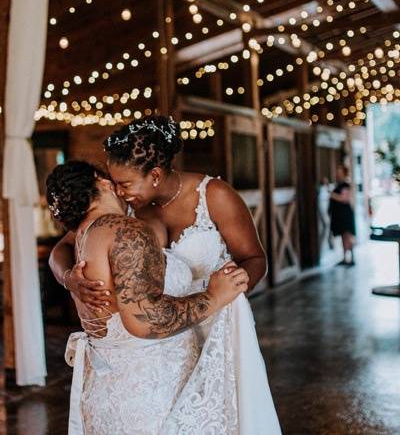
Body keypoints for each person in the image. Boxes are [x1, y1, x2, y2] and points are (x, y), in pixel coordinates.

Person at [51, 115, 281, 434]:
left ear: (155, 175)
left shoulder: (212, 195)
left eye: (125, 183)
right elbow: (61, 250)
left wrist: (231, 294)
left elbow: (254, 258)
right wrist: (69, 279)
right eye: (114, 182)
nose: (117, 190)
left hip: (215, 325)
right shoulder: (123, 210)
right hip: (160, 335)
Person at [329, 164, 356, 266]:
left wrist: (331, 194)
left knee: (347, 235)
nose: (337, 173)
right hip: (340, 213)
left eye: (339, 171)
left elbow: (344, 199)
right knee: (343, 236)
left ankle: (351, 257)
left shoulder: (345, 185)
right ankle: (345, 258)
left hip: (345, 213)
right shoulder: (339, 184)